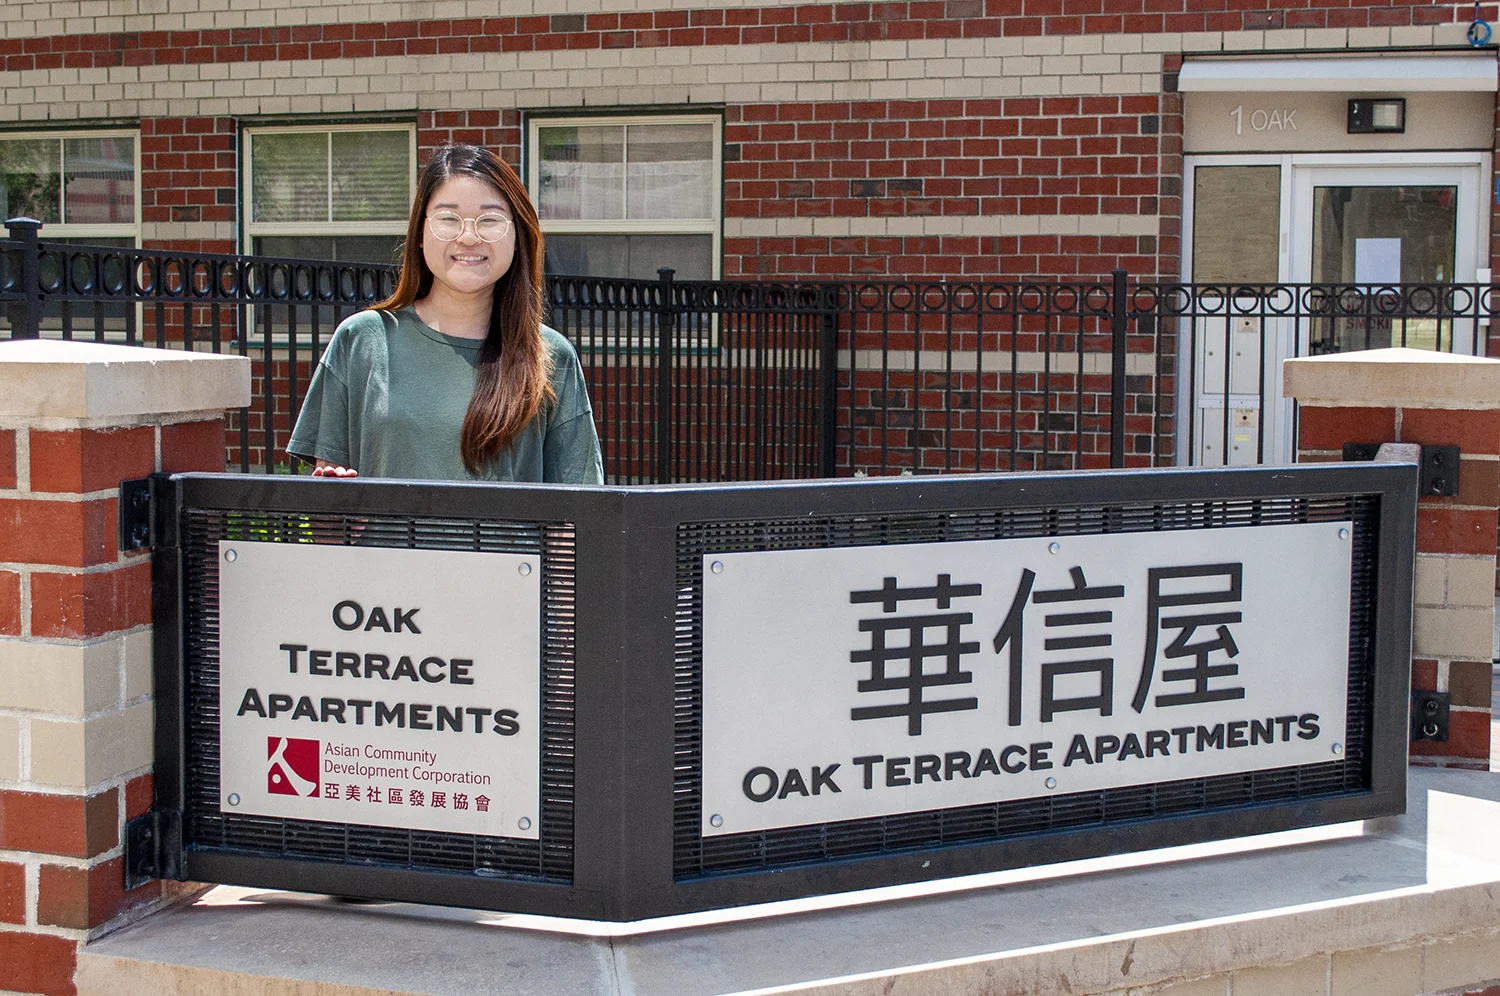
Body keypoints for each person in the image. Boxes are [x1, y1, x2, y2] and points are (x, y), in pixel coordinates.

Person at [287, 143, 604, 484]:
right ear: (420, 234)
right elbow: (328, 517)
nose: (468, 237)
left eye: (490, 220)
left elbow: (577, 514)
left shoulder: (550, 355)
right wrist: (334, 509)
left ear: (517, 236)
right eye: (448, 219)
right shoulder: (362, 340)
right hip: (386, 541)